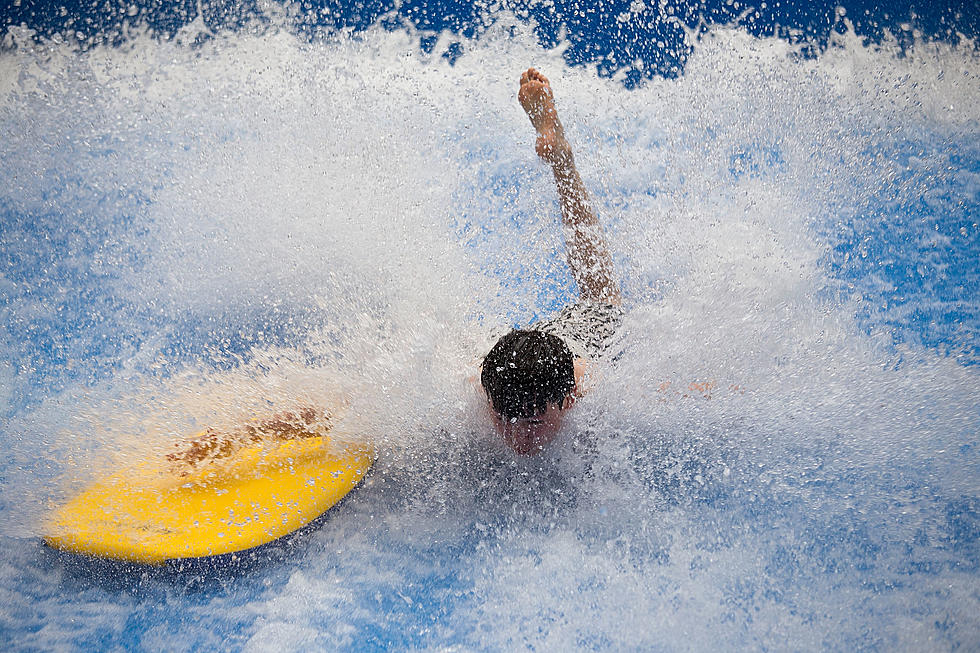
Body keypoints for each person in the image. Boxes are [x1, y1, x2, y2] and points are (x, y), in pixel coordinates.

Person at [481, 68, 624, 456]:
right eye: (502, 418)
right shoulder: (494, 390)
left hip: (583, 339)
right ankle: (559, 153)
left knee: (604, 300)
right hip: (526, 354)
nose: (516, 439)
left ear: (568, 402)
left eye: (531, 422)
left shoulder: (593, 391)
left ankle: (562, 156)